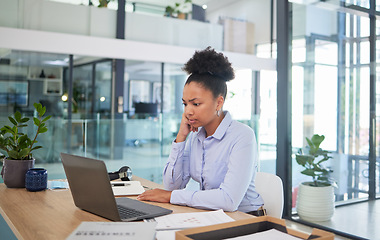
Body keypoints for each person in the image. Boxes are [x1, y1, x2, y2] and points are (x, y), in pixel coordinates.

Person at [137, 47, 265, 215]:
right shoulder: (195, 136)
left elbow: (229, 200)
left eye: (195, 104)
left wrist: (173, 197)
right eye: (185, 104)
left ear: (219, 103)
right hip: (211, 215)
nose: (188, 111)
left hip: (246, 218)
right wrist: (181, 137)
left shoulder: (242, 136)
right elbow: (172, 187)